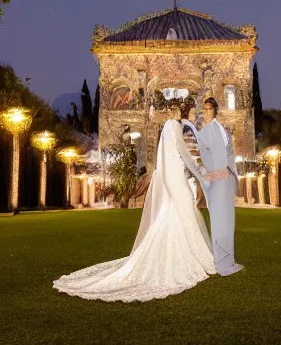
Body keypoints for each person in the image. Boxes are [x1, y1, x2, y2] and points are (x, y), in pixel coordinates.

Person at [53, 119, 216, 302]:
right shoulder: (176, 142)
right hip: (178, 182)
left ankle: (187, 252)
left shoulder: (166, 155)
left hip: (177, 181)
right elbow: (187, 160)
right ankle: (189, 256)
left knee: (175, 215)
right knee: (182, 213)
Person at [197, 97, 244, 277]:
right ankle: (220, 258)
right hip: (216, 180)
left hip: (224, 179)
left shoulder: (221, 130)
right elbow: (200, 155)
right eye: (205, 109)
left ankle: (226, 258)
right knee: (217, 219)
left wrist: (229, 172)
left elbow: (228, 155)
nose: (207, 112)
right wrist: (206, 173)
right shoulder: (204, 132)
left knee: (225, 219)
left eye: (210, 109)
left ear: (215, 110)